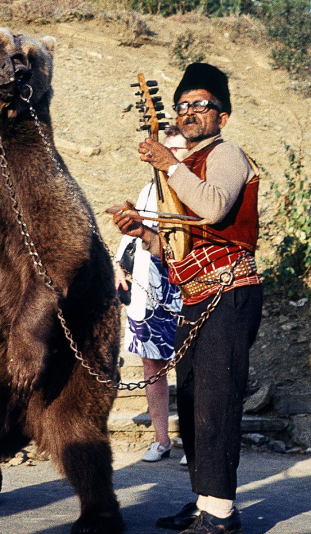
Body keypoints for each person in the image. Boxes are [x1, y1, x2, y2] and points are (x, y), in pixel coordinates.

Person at [111, 63, 262, 534]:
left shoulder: (227, 154)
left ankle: (220, 515)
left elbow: (214, 207)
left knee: (216, 401)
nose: (191, 112)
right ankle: (204, 502)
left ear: (223, 116)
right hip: (197, 297)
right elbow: (176, 246)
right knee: (195, 401)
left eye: (203, 104)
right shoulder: (185, 168)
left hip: (229, 294)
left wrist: (169, 165)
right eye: (184, 105)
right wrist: (142, 233)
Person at [113, 126, 186, 463]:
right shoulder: (147, 191)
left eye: (179, 149)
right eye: (167, 148)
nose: (171, 154)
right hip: (148, 291)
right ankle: (161, 440)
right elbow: (132, 233)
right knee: (151, 367)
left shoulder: (193, 188)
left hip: (185, 291)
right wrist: (118, 264)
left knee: (190, 369)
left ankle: (195, 442)